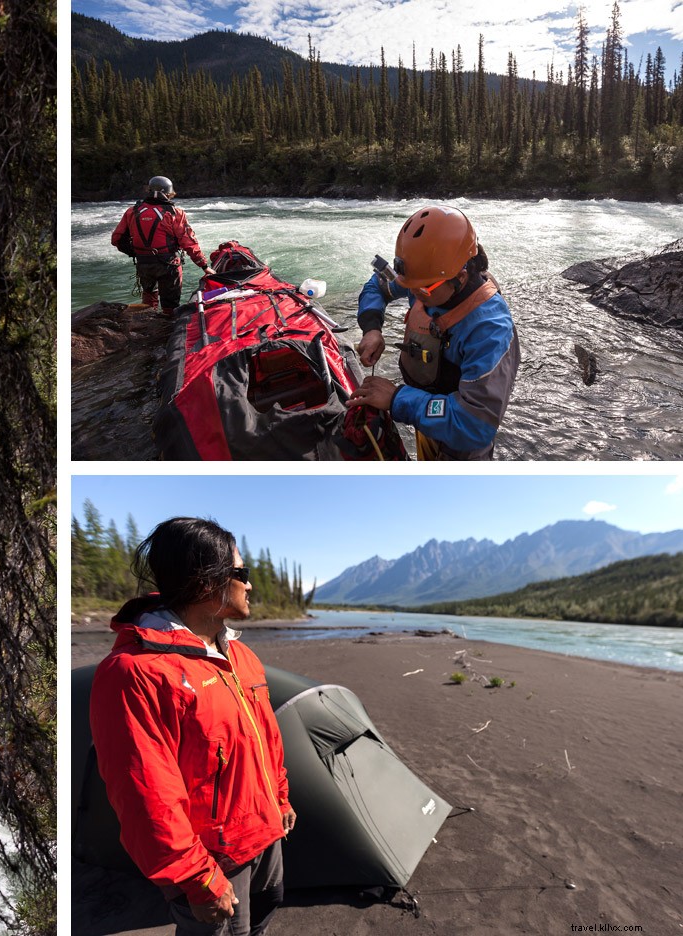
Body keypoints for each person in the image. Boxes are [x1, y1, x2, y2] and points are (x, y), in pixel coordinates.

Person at [90, 517, 295, 936]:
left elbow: (264, 740)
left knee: (264, 917)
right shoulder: (137, 673)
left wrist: (281, 798)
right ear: (208, 583)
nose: (250, 585)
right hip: (214, 860)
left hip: (264, 833)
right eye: (242, 574)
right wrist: (197, 879)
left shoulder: (240, 656)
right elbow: (145, 795)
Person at [346, 205, 520, 460]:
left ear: (460, 277)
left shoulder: (490, 329)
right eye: (409, 286)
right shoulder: (426, 278)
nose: (413, 294)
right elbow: (377, 287)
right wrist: (372, 329)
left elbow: (474, 425)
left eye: (423, 290)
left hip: (462, 447)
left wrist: (396, 399)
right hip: (425, 415)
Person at [111, 176, 214, 314]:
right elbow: (189, 242)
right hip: (169, 264)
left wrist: (135, 252)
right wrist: (204, 266)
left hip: (144, 263)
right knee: (170, 305)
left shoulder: (132, 211)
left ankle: (148, 324)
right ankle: (168, 329)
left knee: (148, 299)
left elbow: (117, 239)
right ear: (168, 193)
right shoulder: (175, 213)